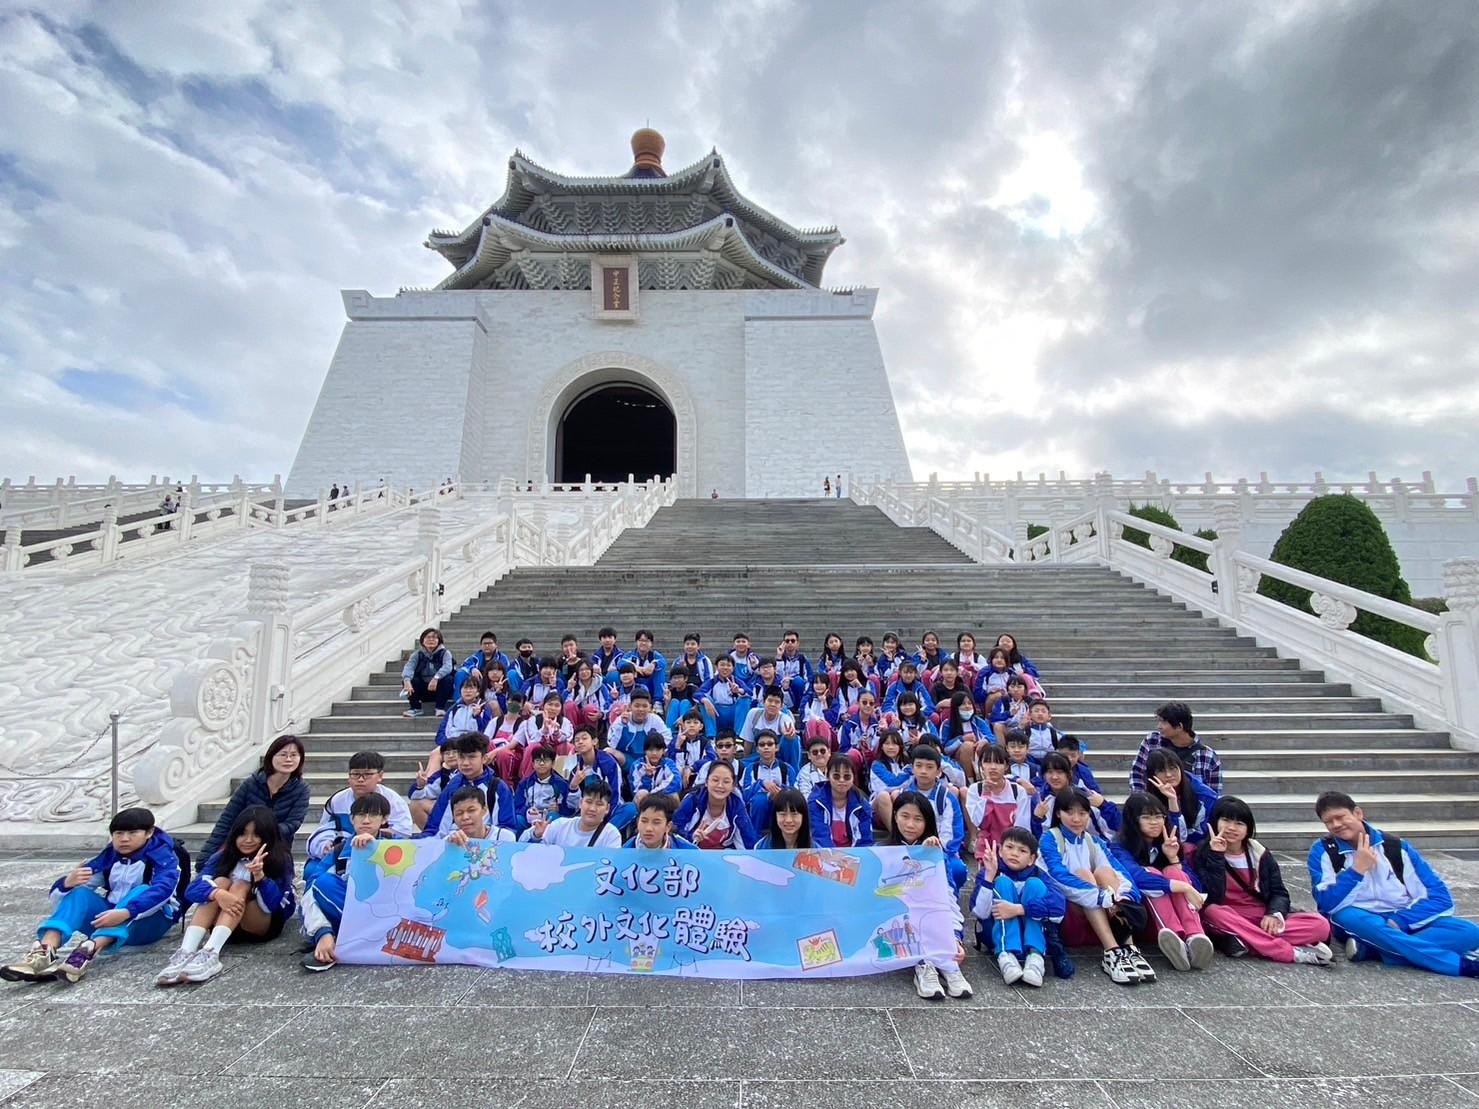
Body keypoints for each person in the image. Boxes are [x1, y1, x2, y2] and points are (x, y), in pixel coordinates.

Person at [1308, 791, 1479, 977]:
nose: (1336, 825)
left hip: (1402, 916)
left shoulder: (1395, 847)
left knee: (1469, 932)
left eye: (1340, 817)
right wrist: (1356, 871)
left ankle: (1375, 950)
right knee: (1349, 916)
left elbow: (1439, 897)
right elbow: (1326, 904)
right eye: (1328, 822)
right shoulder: (1323, 850)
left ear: (1357, 813)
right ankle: (1459, 966)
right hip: (1360, 917)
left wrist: (1400, 920)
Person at [2, 807, 181, 984]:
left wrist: (126, 912)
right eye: (118, 833)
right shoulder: (109, 857)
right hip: (108, 918)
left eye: (133, 833)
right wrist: (67, 883)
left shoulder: (164, 857)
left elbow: (162, 892)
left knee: (141, 891)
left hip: (150, 924)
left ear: (149, 833)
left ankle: (86, 952)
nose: (124, 839)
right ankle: (43, 952)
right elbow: (62, 900)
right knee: (79, 892)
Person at [157, 805, 295, 985]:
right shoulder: (223, 856)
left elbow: (273, 905)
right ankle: (186, 951)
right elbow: (192, 890)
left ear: (268, 836)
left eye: (256, 835)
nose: (248, 840)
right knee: (220, 883)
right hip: (225, 927)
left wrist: (260, 877)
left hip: (259, 924)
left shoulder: (279, 859)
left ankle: (211, 953)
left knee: (240, 884)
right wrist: (218, 893)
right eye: (242, 834)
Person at [1193, 796, 1332, 965]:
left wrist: (1273, 914)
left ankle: (1246, 941)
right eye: (1226, 820)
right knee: (1212, 912)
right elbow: (1212, 896)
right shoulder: (1203, 852)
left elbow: (1278, 892)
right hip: (1227, 914)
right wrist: (1216, 856)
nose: (1231, 828)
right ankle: (1289, 952)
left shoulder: (1259, 853)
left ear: (1248, 828)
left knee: (1321, 925)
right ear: (1216, 822)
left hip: (1258, 914)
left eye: (1239, 823)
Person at [1037, 790, 1154, 985]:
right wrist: (1101, 897)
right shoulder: (1049, 839)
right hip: (1070, 916)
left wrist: (1124, 898)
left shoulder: (1094, 841)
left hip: (1105, 914)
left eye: (1082, 813)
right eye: (1070, 813)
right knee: (1084, 874)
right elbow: (1058, 877)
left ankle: (1128, 948)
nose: (1076, 819)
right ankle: (1111, 952)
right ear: (1058, 813)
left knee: (1105, 873)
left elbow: (1121, 872)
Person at [1110, 792, 1213, 972]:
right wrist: (1182, 887)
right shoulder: (1119, 845)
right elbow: (1135, 876)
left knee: (1173, 871)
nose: (1155, 822)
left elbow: (1195, 886)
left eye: (1159, 816)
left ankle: (1195, 937)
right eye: (1147, 817)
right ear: (1133, 819)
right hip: (1144, 917)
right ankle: (1173, 938)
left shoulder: (1167, 843)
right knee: (1151, 872)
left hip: (1182, 913)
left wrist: (1173, 858)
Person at [886, 790, 972, 1000]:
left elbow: (948, 897)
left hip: (934, 915)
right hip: (901, 921)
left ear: (927, 823)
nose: (910, 825)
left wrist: (956, 937)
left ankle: (948, 964)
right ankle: (924, 965)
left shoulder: (937, 853)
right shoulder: (885, 853)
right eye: (905, 816)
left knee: (934, 911)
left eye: (918, 819)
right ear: (895, 815)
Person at [300, 792, 396, 972]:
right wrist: (323, 932)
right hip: (351, 911)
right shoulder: (338, 852)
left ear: (384, 819)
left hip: (388, 910)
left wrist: (375, 849)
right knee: (320, 883)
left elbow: (422, 861)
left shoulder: (397, 844)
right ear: (352, 819)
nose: (366, 821)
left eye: (373, 815)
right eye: (360, 815)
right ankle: (327, 939)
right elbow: (311, 892)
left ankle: (346, 940)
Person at [303, 751, 414, 886]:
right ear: (348, 777)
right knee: (313, 872)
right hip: (340, 851)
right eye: (355, 774)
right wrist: (326, 844)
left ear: (380, 776)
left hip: (379, 853)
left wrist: (370, 840)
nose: (360, 779)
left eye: (367, 774)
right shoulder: (337, 801)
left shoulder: (393, 802)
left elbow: (402, 835)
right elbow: (325, 828)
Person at [197, 734, 309, 867]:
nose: (288, 759)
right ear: (271, 756)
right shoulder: (250, 784)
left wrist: (260, 833)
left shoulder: (301, 790)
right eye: (283, 754)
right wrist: (205, 858)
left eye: (294, 755)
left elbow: (292, 824)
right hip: (242, 844)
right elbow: (227, 820)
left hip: (274, 847)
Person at [972, 829, 1065, 987]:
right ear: (1000, 851)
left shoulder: (1038, 874)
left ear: (1032, 859)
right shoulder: (990, 872)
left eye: (1022, 850)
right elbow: (979, 912)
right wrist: (989, 876)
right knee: (1002, 883)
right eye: (1009, 847)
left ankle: (1035, 958)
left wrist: (1019, 909)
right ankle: (1006, 956)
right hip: (995, 935)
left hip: (1028, 934)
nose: (1014, 853)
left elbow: (1059, 908)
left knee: (1035, 885)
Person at [421, 732, 517, 837]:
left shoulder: (498, 787)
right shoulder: (453, 785)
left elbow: (507, 828)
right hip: (455, 843)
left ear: (484, 758)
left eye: (471, 757)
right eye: (461, 757)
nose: (465, 763)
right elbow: (435, 826)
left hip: (489, 847)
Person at [902, 745, 966, 892]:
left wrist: (936, 849)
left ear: (938, 771)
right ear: (912, 768)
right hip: (909, 851)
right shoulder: (904, 796)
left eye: (929, 767)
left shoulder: (946, 798)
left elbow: (953, 832)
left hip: (939, 850)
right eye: (919, 766)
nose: (923, 771)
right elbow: (900, 828)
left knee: (958, 870)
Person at [1130, 702, 1223, 794]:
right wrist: (1143, 802)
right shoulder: (1152, 741)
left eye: (1164, 722)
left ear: (1179, 726)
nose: (1159, 726)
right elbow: (1137, 773)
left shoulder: (1207, 756)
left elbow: (1213, 794)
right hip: (1154, 804)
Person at [563, 725, 635, 831]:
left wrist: (603, 816)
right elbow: (572, 805)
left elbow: (615, 796)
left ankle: (603, 833)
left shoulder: (609, 763)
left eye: (584, 738)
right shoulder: (573, 766)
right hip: (586, 811)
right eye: (577, 740)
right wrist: (573, 786)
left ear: (594, 741)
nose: (580, 742)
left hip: (607, 810)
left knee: (630, 809)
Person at [965, 744, 1032, 858]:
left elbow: (1022, 826)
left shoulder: (1017, 791)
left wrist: (1009, 849)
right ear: (981, 765)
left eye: (998, 762)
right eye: (987, 762)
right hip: (986, 849)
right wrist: (986, 794)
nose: (993, 767)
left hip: (1013, 848)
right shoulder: (975, 790)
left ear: (1006, 766)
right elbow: (978, 821)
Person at [674, 761, 757, 849]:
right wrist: (691, 837)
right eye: (715, 780)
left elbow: (748, 840)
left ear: (733, 786)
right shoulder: (692, 800)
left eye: (726, 781)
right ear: (706, 782)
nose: (720, 785)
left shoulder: (736, 805)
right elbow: (675, 831)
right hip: (691, 851)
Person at [528, 778, 623, 848]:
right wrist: (536, 836)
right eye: (588, 802)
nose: (592, 808)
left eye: (599, 804)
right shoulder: (560, 825)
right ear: (580, 803)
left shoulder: (611, 835)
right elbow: (533, 854)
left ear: (607, 808)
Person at [809, 754, 874, 849]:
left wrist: (852, 858)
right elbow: (820, 837)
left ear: (853, 778)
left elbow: (865, 840)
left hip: (853, 856)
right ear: (827, 776)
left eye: (847, 776)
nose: (841, 780)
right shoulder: (815, 802)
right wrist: (836, 858)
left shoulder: (863, 805)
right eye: (836, 776)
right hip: (824, 854)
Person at [742, 729, 793, 831]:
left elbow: (794, 792)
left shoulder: (786, 769)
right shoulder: (751, 769)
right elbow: (745, 795)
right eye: (762, 744)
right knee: (759, 800)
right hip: (758, 811)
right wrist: (761, 783)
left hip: (780, 805)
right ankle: (754, 839)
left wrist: (778, 791)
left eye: (770, 744)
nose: (766, 747)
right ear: (757, 749)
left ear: (777, 747)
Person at [513, 745, 570, 836]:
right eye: (538, 760)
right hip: (529, 818)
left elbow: (569, 808)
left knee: (555, 818)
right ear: (533, 764)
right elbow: (516, 805)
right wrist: (526, 811)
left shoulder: (561, 784)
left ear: (553, 763)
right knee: (517, 820)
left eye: (546, 760)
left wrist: (559, 808)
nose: (542, 764)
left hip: (548, 818)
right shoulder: (525, 783)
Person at [401, 627, 455, 718]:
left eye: (434, 637)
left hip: (440, 690)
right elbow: (408, 667)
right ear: (422, 640)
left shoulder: (445, 653)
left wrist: (436, 678)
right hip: (423, 690)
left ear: (439, 640)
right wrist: (406, 680)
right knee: (411, 680)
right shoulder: (417, 654)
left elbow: (448, 667)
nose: (431, 640)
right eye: (428, 637)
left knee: (448, 679)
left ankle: (440, 708)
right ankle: (415, 708)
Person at [444, 784, 514, 846]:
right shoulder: (449, 841)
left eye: (471, 810)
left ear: (484, 809)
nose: (465, 817)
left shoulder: (504, 838)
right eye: (459, 813)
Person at [625, 793, 696, 850]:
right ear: (637, 822)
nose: (648, 828)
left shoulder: (685, 850)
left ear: (668, 826)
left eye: (656, 822)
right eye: (644, 821)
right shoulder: (625, 851)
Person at [631, 733, 681, 802]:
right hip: (645, 801)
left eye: (658, 750)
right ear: (645, 751)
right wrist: (647, 776)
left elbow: (676, 782)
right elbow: (635, 791)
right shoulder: (636, 766)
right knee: (641, 794)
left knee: (674, 796)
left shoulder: (668, 763)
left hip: (661, 797)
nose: (654, 753)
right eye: (651, 750)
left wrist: (654, 794)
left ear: (663, 751)